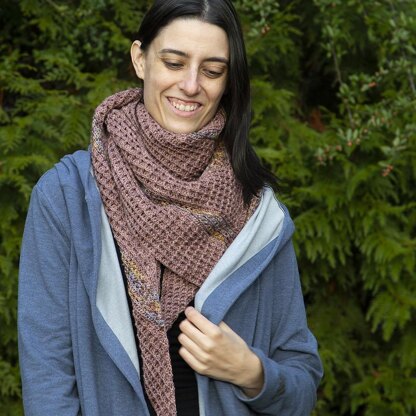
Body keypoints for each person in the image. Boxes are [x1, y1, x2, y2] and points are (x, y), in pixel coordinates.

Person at [18, 0, 323, 415]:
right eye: (174, 63)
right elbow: (48, 382)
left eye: (212, 71)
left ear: (228, 81)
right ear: (140, 59)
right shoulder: (67, 197)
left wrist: (251, 372)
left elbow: (302, 384)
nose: (191, 85)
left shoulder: (257, 215)